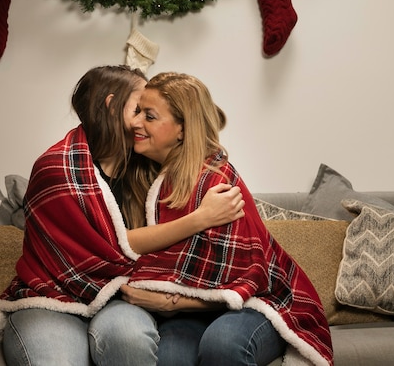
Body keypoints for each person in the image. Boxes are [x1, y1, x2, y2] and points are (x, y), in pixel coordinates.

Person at [0, 65, 245, 365]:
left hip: (120, 296)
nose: (144, 120)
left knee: (128, 339)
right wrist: (199, 218)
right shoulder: (58, 168)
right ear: (112, 105)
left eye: (149, 113)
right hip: (52, 298)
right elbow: (111, 245)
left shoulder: (148, 166)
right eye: (138, 109)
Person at [119, 72, 333, 366]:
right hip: (194, 308)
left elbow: (250, 277)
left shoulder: (217, 182)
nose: (135, 122)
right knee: (170, 358)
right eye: (138, 111)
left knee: (222, 343)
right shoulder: (144, 177)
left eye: (150, 116)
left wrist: (168, 301)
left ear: (182, 129)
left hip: (259, 301)